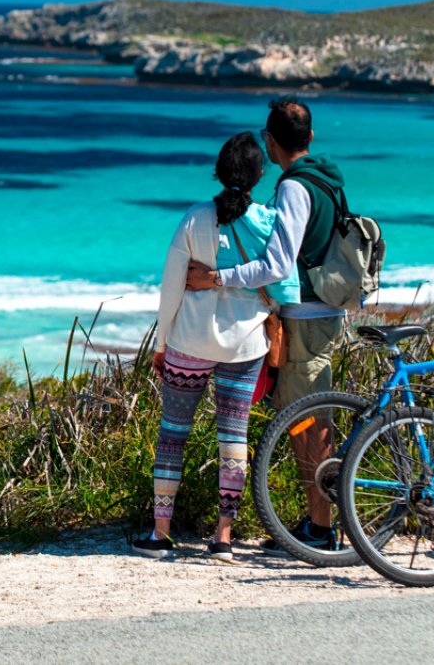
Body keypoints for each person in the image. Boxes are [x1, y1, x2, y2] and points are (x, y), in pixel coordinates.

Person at [185, 96, 348, 551]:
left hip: (307, 314)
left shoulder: (295, 188)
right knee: (310, 418)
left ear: (271, 142)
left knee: (305, 423)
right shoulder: (327, 180)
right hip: (326, 310)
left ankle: (320, 529)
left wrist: (218, 278)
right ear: (310, 137)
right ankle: (317, 522)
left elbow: (278, 264)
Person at [133, 132, 300, 563]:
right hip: (245, 345)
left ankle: (161, 531)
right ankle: (223, 537)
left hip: (188, 340)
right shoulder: (267, 221)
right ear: (260, 175)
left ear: (218, 172)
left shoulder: (193, 219)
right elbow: (281, 287)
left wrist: (162, 343)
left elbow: (171, 288)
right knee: (233, 438)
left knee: (173, 434)